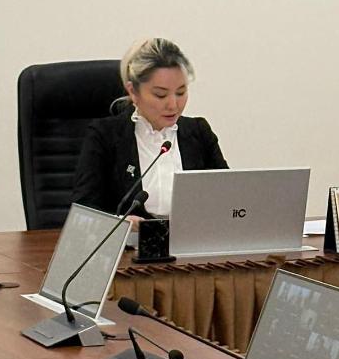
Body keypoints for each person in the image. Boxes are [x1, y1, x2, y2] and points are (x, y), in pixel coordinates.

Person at [71, 38, 228, 229]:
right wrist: (119, 223)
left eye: (181, 92)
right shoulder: (104, 136)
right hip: (130, 245)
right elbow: (84, 210)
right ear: (133, 91)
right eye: (160, 95)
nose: (173, 105)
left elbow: (228, 198)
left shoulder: (199, 132)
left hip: (191, 242)